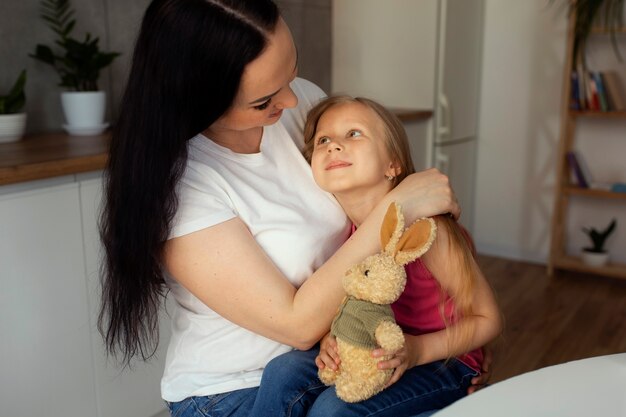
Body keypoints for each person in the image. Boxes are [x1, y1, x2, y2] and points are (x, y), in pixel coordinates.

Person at [97, 1, 476, 416]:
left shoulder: (299, 108)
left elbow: (375, 209)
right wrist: (398, 205)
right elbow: (296, 325)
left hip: (331, 354)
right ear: (198, 97)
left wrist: (454, 341)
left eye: (291, 75)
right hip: (233, 389)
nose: (293, 101)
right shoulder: (182, 183)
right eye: (264, 100)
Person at [252, 96, 503, 417]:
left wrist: (417, 349)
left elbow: (488, 319)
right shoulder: (343, 234)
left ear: (393, 164)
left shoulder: (430, 232)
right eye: (323, 140)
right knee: (283, 372)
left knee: (334, 409)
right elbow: (350, 305)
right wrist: (332, 337)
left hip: (444, 362)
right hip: (375, 349)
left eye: (354, 134)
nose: (334, 146)